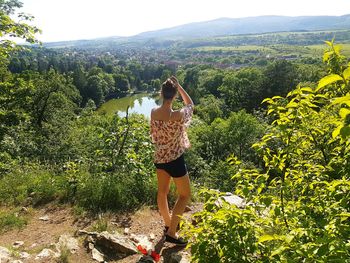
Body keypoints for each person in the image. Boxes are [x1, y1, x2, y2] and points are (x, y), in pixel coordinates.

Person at [150, 76, 194, 246]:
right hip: (175, 159)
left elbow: (154, 132)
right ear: (174, 95)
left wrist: (174, 89)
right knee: (184, 195)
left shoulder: (153, 112)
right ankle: (172, 232)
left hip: (160, 158)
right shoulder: (179, 115)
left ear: (161, 93)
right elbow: (190, 104)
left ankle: (168, 224)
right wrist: (180, 87)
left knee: (162, 193)